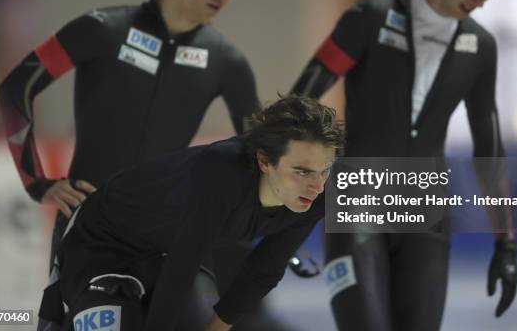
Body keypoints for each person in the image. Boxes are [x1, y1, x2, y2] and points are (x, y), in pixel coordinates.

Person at [0, 0, 264, 329]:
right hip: (89, 233)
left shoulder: (227, 60)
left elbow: (259, 153)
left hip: (170, 236)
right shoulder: (102, 28)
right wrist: (38, 181)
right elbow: (15, 88)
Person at [291, 0, 517, 330]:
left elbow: (489, 145)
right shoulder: (372, 16)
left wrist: (506, 243)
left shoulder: (479, 47)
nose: (480, 0)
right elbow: (303, 98)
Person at [40, 95, 344, 331]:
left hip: (170, 254)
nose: (316, 185)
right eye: (302, 171)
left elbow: (266, 267)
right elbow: (182, 265)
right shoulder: (222, 171)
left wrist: (217, 326)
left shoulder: (317, 192)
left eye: (324, 170)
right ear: (265, 162)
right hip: (103, 246)